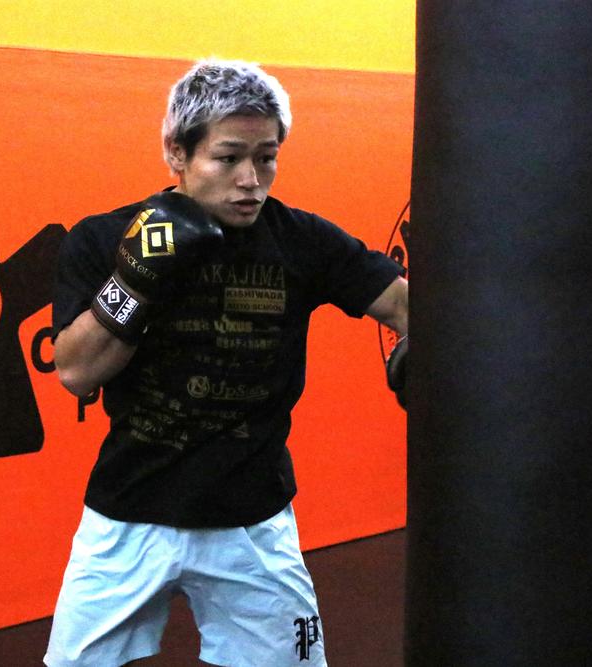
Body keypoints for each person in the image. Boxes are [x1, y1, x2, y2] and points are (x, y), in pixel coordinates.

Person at [44, 58, 408, 667]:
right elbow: (77, 372)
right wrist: (136, 280)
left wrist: (432, 351)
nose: (250, 180)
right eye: (228, 157)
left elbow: (403, 305)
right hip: (129, 512)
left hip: (252, 519)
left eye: (266, 158)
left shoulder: (301, 240)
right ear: (178, 153)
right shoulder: (105, 237)